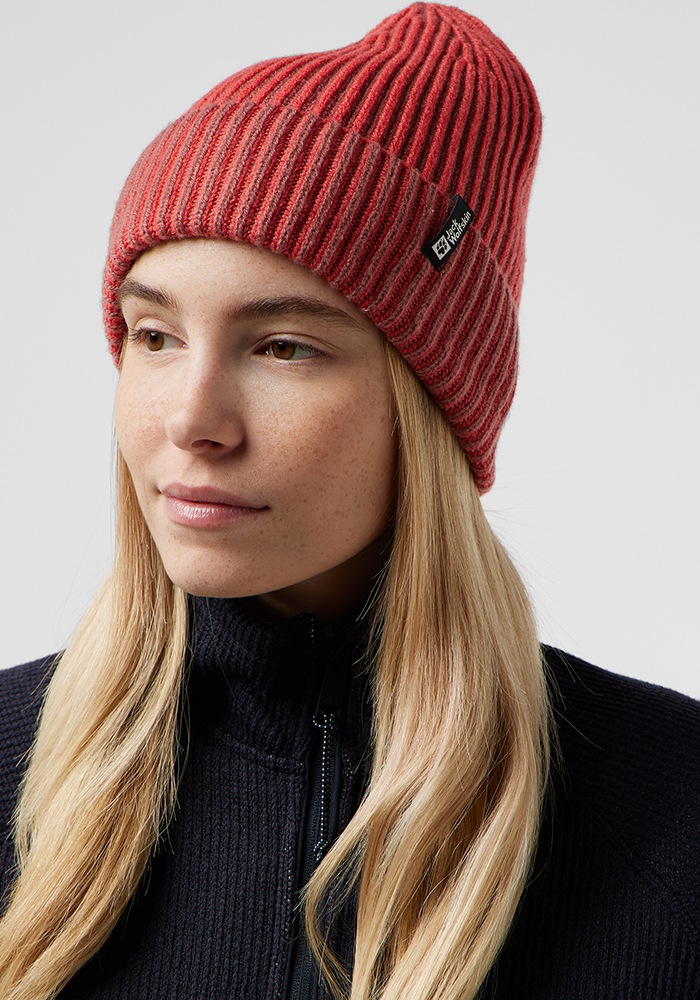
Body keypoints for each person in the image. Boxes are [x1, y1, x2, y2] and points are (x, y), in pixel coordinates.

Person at [0, 4, 698, 998]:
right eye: (154, 336)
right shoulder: (9, 757)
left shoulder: (670, 808)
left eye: (283, 346)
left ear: (431, 404)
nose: (191, 420)